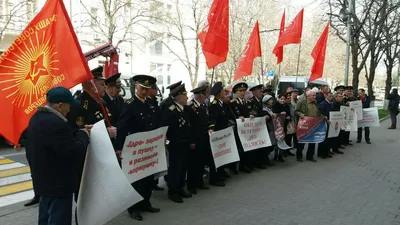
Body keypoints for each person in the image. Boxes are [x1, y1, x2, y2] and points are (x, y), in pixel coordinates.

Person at [25, 87, 91, 225]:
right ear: (60, 106)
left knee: (45, 217)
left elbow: (57, 140)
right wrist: (84, 135)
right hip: (58, 184)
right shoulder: (56, 123)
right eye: (69, 106)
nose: (69, 110)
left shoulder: (37, 117)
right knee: (58, 219)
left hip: (43, 181)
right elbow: (74, 150)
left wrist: (78, 131)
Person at [115, 75, 161, 220]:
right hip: (134, 149)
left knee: (148, 177)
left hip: (148, 148)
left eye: (147, 89)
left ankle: (145, 202)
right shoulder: (129, 104)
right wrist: (119, 148)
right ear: (136, 86)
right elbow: (121, 127)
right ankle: (133, 208)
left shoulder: (150, 103)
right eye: (142, 89)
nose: (144, 92)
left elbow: (156, 123)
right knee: (135, 179)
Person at [162, 84, 193, 203]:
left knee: (183, 167)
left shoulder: (183, 109)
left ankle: (180, 188)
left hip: (184, 143)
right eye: (185, 95)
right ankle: (173, 191)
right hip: (175, 144)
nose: (187, 97)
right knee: (175, 168)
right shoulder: (171, 110)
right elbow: (166, 127)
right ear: (179, 97)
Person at [186, 85, 212, 195]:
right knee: (193, 164)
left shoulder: (203, 106)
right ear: (199, 95)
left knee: (201, 162)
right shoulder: (190, 107)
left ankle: (199, 181)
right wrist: (191, 141)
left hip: (204, 138)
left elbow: (207, 120)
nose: (206, 97)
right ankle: (192, 185)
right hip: (195, 139)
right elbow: (189, 126)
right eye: (204, 95)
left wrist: (210, 128)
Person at [295, 90, 328, 162]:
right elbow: (296, 110)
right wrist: (300, 114)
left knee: (312, 141)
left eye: (315, 95)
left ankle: (310, 156)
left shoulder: (315, 103)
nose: (315, 97)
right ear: (308, 96)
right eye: (313, 96)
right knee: (302, 140)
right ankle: (299, 156)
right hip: (304, 124)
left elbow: (317, 113)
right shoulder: (302, 102)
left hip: (313, 124)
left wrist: (323, 117)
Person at [230, 82, 253, 173]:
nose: (243, 92)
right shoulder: (233, 103)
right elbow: (232, 115)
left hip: (246, 129)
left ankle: (243, 165)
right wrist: (237, 118)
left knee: (245, 147)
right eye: (240, 91)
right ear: (236, 92)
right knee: (237, 148)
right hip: (237, 129)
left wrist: (251, 114)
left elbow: (251, 111)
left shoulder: (247, 102)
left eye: (244, 90)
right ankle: (233, 167)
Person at [247, 84, 270, 167]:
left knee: (261, 145)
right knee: (255, 146)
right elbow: (251, 113)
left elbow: (263, 111)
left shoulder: (260, 101)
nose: (262, 93)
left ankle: (261, 161)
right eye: (260, 92)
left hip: (260, 127)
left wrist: (267, 115)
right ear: (254, 93)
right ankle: (255, 162)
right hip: (254, 128)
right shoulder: (251, 101)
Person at [148, 83, 165, 191]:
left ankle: (154, 182)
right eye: (154, 89)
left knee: (154, 162)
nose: (156, 91)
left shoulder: (154, 101)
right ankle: (150, 183)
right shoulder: (147, 101)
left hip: (156, 135)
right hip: (149, 137)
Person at [317, 92, 334, 158]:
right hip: (324, 123)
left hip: (329, 123)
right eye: (329, 96)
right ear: (326, 96)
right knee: (323, 139)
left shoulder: (330, 103)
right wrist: (325, 119)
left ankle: (326, 152)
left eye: (331, 96)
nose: (331, 97)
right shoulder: (322, 104)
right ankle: (321, 153)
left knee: (328, 139)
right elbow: (320, 114)